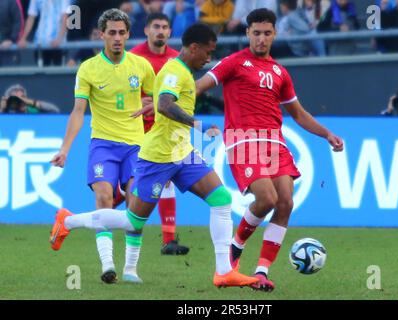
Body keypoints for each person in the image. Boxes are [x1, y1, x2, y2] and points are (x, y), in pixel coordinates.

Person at [49, 23, 259, 289]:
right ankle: (67, 221)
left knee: (221, 199)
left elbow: (158, 99)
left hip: (182, 152)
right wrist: (197, 124)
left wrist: (152, 105)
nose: (209, 58)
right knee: (132, 220)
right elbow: (165, 104)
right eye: (207, 52)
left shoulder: (175, 69)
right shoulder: (174, 71)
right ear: (194, 48)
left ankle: (224, 271)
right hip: (160, 155)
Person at [195, 8, 344, 292]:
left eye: (266, 33)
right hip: (242, 139)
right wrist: (170, 99)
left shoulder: (280, 72)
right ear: (247, 33)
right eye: (256, 33)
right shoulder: (233, 63)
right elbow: (201, 85)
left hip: (275, 142)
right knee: (266, 198)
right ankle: (235, 248)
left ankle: (261, 271)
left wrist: (327, 134)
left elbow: (298, 114)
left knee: (285, 202)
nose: (261, 39)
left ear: (274, 34)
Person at [50, 9, 156, 284]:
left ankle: (131, 269)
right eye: (112, 33)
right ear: (101, 35)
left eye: (122, 33)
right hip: (103, 145)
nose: (118, 38)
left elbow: (160, 101)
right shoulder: (88, 68)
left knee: (136, 204)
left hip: (135, 145)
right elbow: (77, 111)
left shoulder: (141, 66)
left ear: (128, 34)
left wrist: (153, 104)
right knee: (103, 197)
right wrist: (65, 149)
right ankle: (108, 264)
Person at [129, 12, 189, 255]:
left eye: (165, 27)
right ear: (146, 30)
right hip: (137, 130)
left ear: (170, 32)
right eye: (156, 26)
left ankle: (168, 240)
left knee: (165, 183)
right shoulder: (132, 57)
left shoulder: (177, 60)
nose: (161, 31)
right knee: (131, 188)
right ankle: (104, 218)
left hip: (165, 130)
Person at [18, 0, 70, 66]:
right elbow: (31, 17)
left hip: (59, 45)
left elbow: (65, 17)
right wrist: (23, 38)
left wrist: (59, 39)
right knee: (41, 73)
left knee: (58, 72)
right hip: (40, 42)